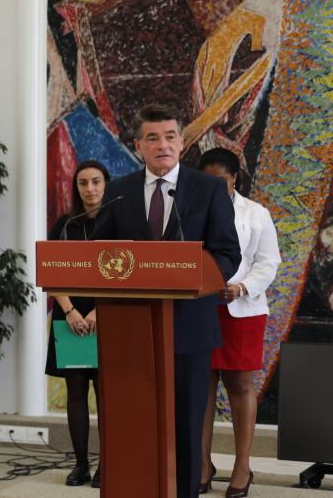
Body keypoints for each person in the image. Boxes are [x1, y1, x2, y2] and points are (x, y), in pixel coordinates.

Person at [92, 104, 241, 498]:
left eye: (171, 136)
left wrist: (199, 279)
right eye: (153, 138)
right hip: (131, 330)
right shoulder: (119, 190)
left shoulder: (207, 188)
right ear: (138, 145)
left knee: (187, 427)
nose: (163, 145)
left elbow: (228, 253)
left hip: (189, 328)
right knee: (135, 423)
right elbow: (100, 255)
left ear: (182, 142)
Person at [198, 148, 280, 497]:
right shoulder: (192, 210)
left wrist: (241, 287)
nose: (214, 188)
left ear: (235, 179)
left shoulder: (256, 213)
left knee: (240, 387)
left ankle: (242, 466)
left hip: (242, 310)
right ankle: (201, 464)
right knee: (201, 389)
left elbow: (268, 262)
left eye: (222, 181)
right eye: (207, 181)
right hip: (201, 308)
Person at [45, 159, 110, 487]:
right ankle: (81, 464)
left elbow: (126, 272)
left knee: (107, 393)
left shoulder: (118, 223)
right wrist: (70, 310)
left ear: (106, 184)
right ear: (76, 188)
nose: (90, 189)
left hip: (108, 315)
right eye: (83, 183)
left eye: (96, 182)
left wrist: (99, 311)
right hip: (69, 314)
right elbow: (50, 272)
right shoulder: (65, 225)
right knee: (75, 389)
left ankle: (107, 466)